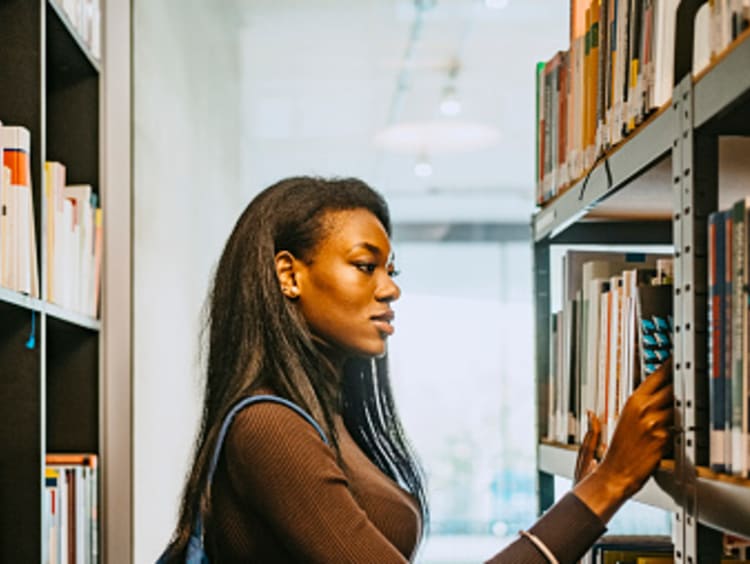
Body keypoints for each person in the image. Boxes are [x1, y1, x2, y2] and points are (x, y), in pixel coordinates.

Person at [160, 176, 674, 563]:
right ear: (289, 275)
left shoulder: (323, 417)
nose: (389, 288)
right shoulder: (269, 428)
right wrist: (605, 488)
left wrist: (586, 500)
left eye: (390, 270)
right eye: (366, 266)